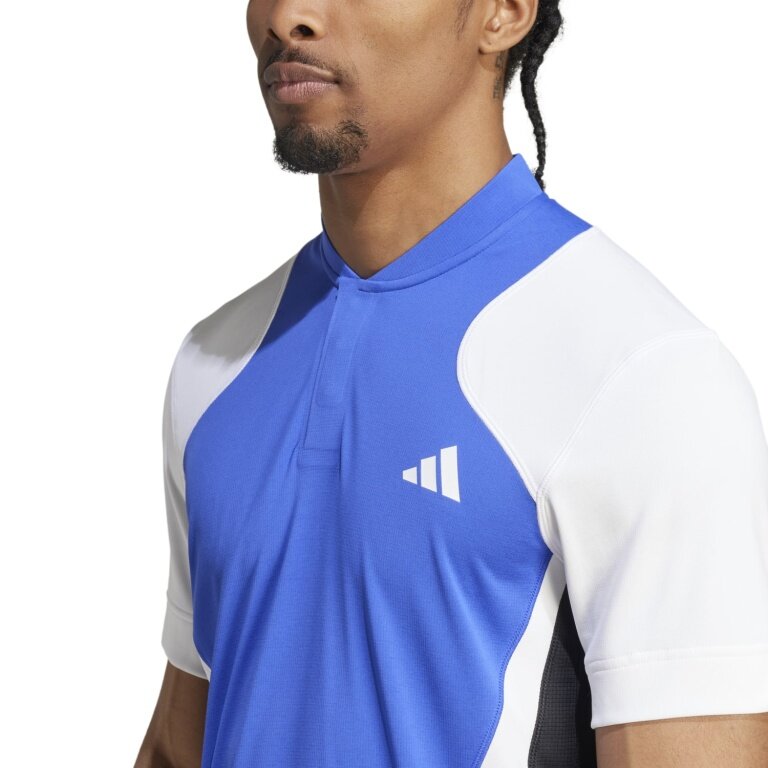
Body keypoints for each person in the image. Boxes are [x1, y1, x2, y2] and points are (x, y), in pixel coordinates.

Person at [135, 0, 768, 765]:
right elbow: (182, 740)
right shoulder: (215, 361)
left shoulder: (642, 373)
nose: (290, 15)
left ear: (504, 13)